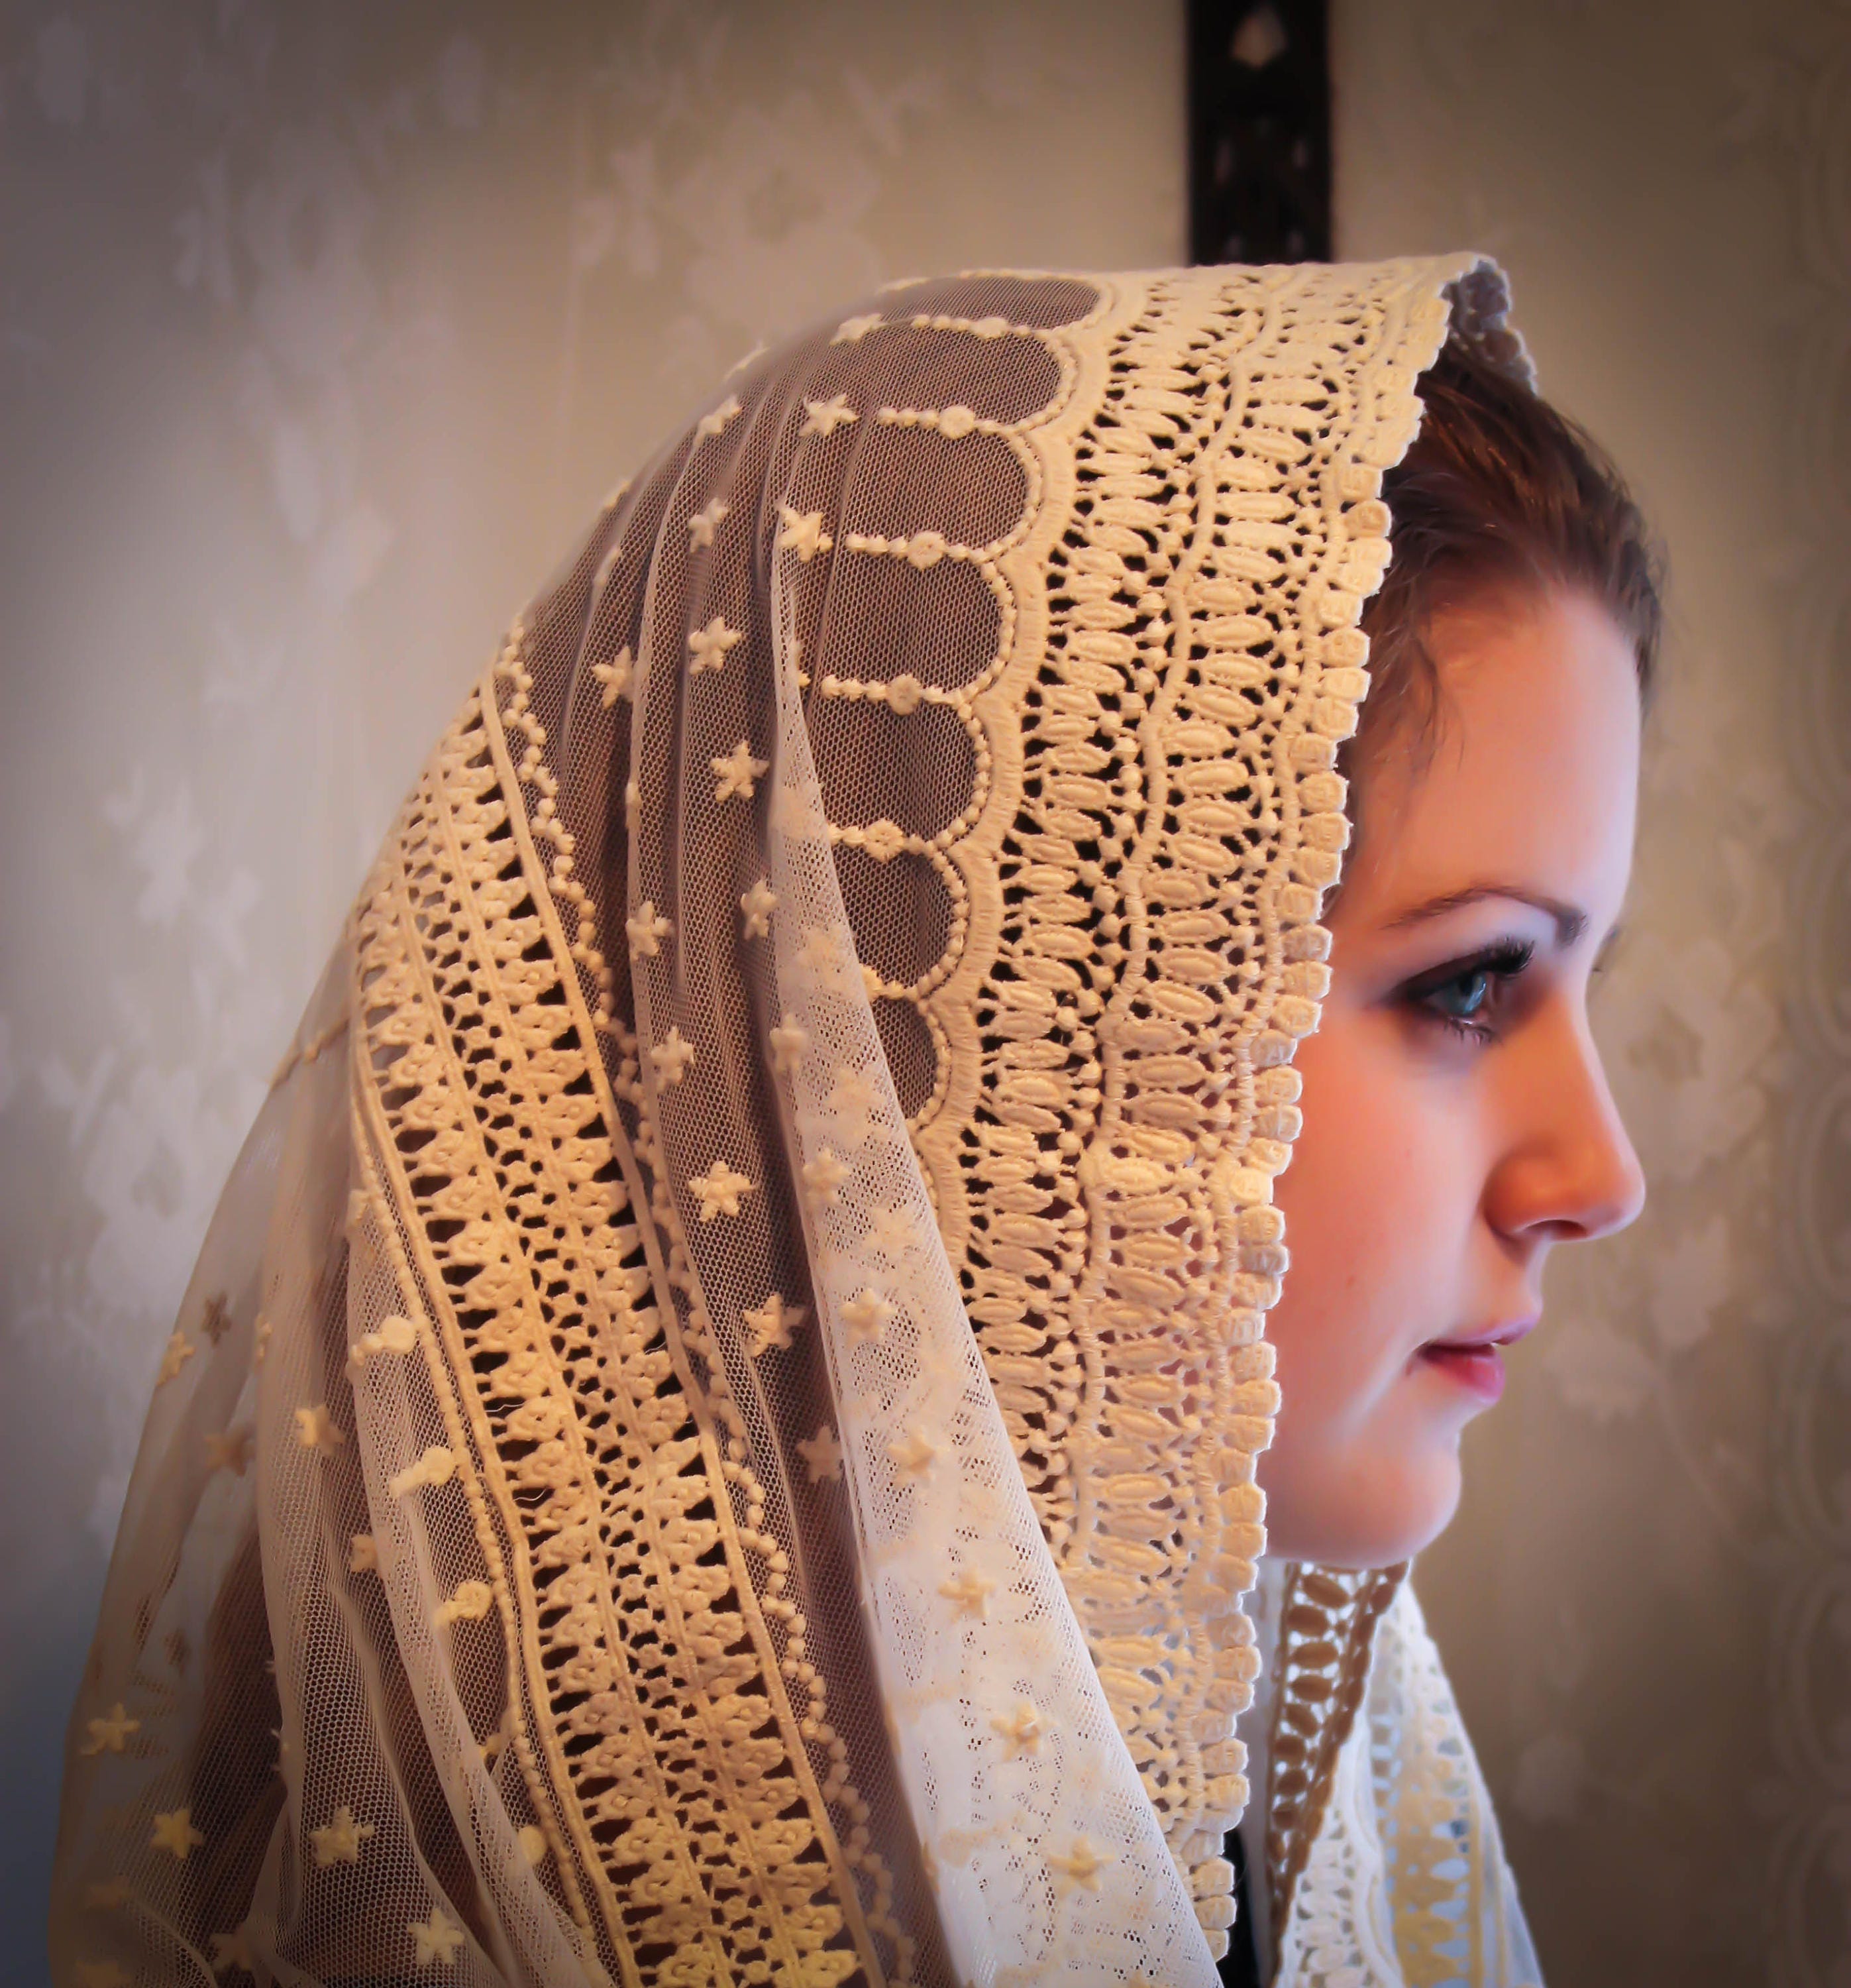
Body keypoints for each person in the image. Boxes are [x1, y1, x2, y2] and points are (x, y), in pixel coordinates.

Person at [48, 256, 1659, 1988]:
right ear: (982, 1039)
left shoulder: (1227, 1795)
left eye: (1583, 978)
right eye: (1469, 983)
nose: (1601, 1177)